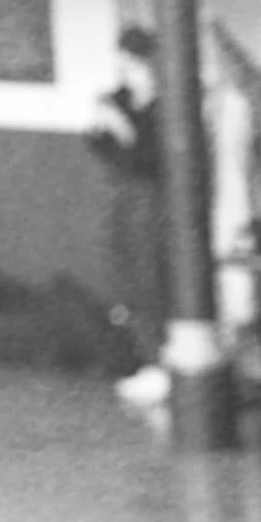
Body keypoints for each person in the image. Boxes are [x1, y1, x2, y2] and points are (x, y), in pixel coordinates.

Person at [86, 23, 168, 407]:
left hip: (151, 199)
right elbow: (103, 147)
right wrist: (101, 126)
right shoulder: (119, 99)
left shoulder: (164, 108)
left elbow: (146, 159)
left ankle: (162, 363)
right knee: (124, 274)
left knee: (150, 276)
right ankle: (144, 357)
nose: (126, 75)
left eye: (133, 66)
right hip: (120, 193)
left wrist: (121, 128)